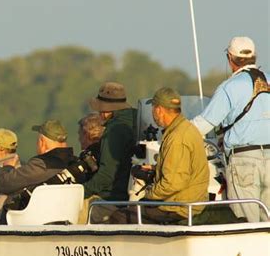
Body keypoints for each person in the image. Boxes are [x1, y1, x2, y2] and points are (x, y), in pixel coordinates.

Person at [92, 87, 209, 224]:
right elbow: (179, 170)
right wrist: (155, 170)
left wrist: (148, 195)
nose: (153, 113)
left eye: (153, 108)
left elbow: (172, 184)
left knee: (119, 217)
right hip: (188, 200)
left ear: (159, 109)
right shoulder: (186, 128)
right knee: (132, 210)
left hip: (177, 206)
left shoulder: (177, 138)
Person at [191, 36, 270, 222]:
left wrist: (174, 132)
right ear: (255, 57)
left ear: (230, 58)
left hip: (243, 161)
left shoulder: (230, 87)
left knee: (246, 223)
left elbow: (203, 124)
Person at [0, 119, 77, 212]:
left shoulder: (41, 165)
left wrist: (8, 167)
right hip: (68, 215)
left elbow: (4, 184)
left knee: (0, 200)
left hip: (35, 219)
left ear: (42, 142)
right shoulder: (75, 164)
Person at [83, 82, 137, 201]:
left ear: (106, 110)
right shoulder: (137, 117)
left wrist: (81, 192)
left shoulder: (114, 130)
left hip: (116, 198)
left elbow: (106, 175)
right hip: (134, 195)